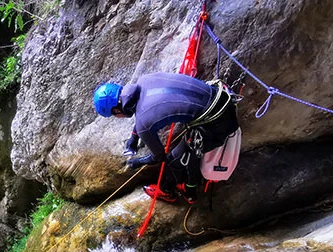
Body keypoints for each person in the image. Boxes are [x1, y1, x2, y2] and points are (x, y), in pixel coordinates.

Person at [93, 72, 239, 203]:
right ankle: (190, 189)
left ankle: (168, 191)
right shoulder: (145, 80)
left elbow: (159, 157)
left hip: (218, 125)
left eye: (114, 115)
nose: (117, 117)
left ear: (117, 110)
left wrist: (138, 162)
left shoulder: (144, 122)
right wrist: (134, 137)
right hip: (220, 100)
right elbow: (143, 113)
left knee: (173, 160)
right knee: (189, 151)